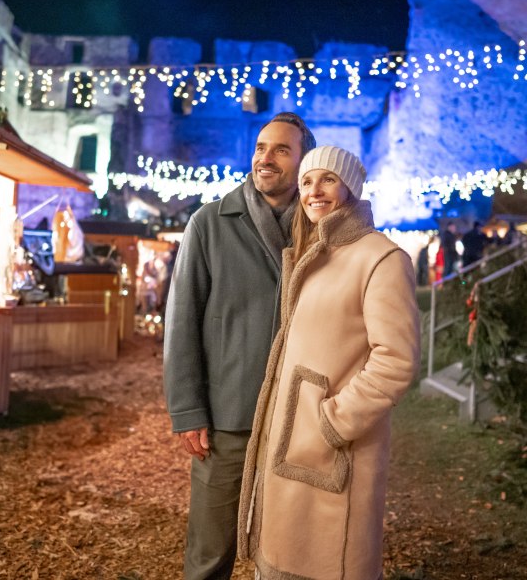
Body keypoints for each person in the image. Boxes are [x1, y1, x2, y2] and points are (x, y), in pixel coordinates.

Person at [237, 146, 420, 579]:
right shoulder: (312, 252)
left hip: (334, 446)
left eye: (327, 180)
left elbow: (396, 359)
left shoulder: (382, 258)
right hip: (290, 440)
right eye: (306, 181)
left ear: (350, 188)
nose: (313, 191)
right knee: (281, 559)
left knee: (329, 562)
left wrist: (332, 422)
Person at [163, 112, 316, 580]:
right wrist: (188, 409)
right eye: (260, 148)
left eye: (281, 150)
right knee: (210, 551)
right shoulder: (210, 222)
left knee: (287, 552)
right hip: (228, 413)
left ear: (303, 162)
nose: (265, 159)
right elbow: (181, 319)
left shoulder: (318, 229)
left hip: (297, 416)